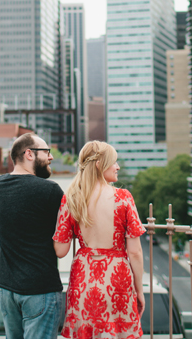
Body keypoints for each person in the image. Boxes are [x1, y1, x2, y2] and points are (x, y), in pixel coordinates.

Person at [53, 141, 146, 339]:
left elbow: (61, 250)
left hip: (83, 280)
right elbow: (135, 252)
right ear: (98, 165)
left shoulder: (71, 198)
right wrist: (140, 290)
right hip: (117, 280)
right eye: (114, 162)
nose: (118, 167)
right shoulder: (123, 198)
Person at [0, 133, 65, 339]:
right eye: (46, 152)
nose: (50, 157)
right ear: (29, 154)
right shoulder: (50, 190)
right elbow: (65, 230)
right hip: (40, 289)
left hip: (7, 288)